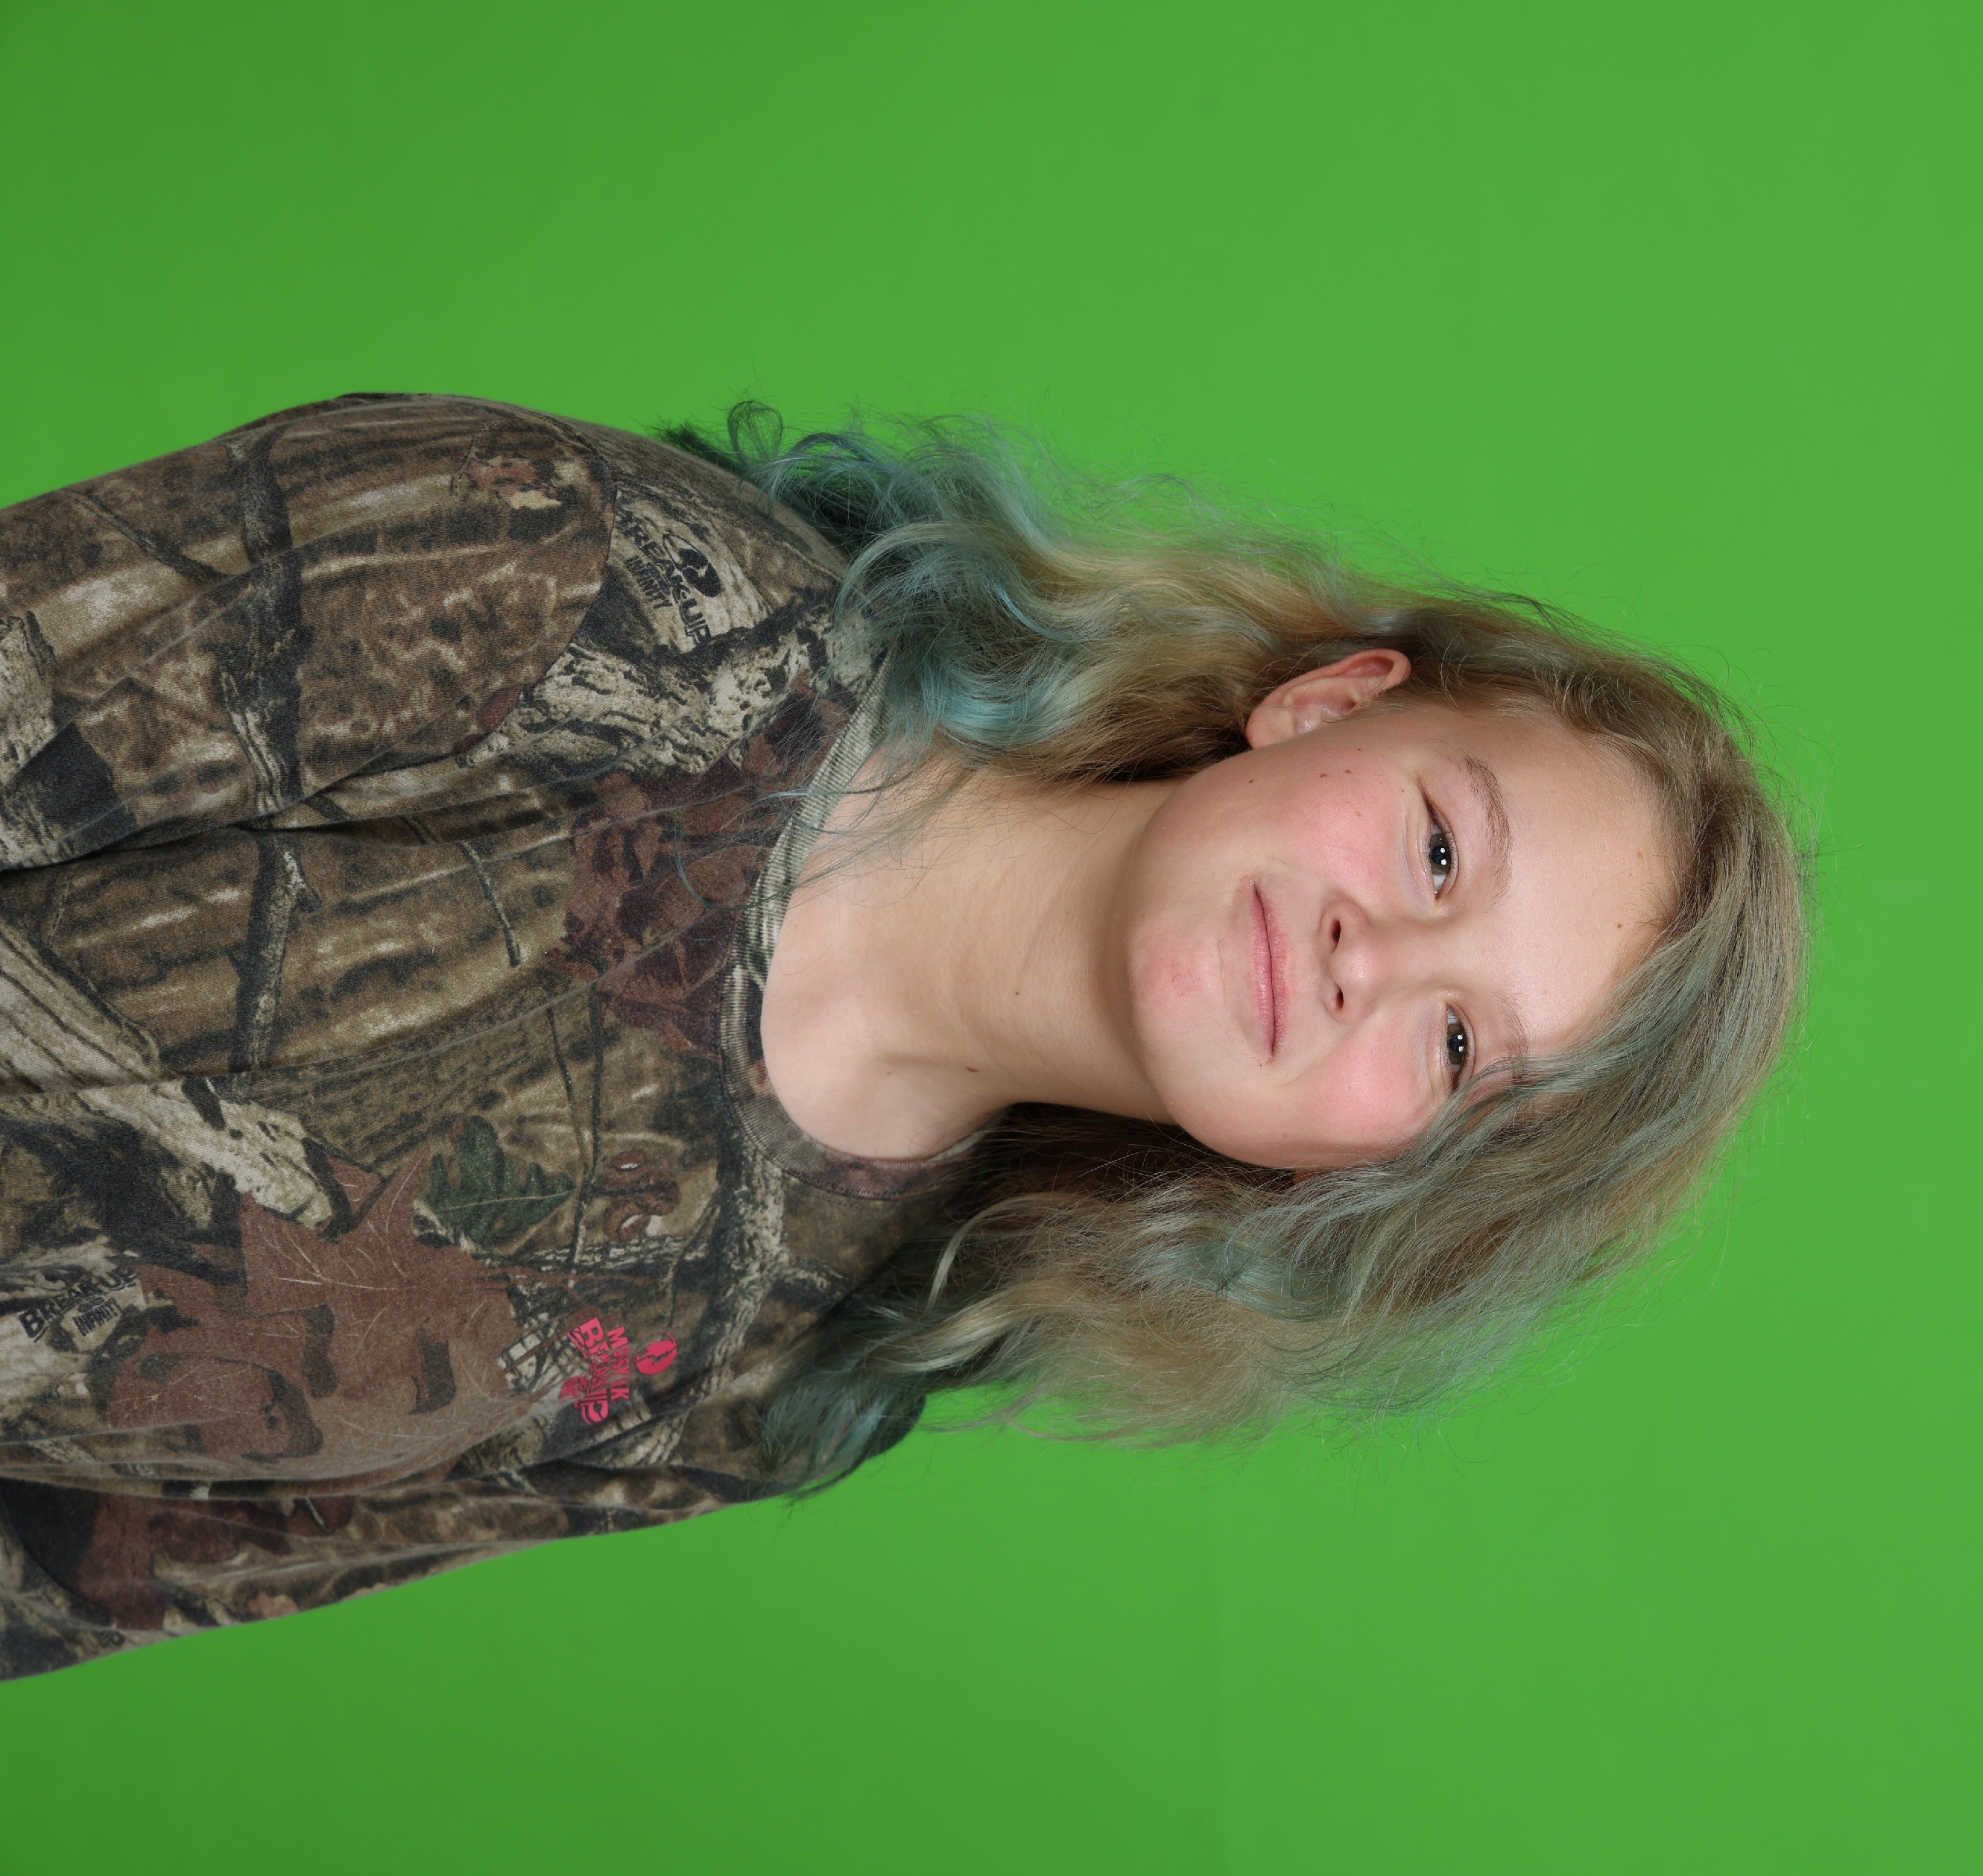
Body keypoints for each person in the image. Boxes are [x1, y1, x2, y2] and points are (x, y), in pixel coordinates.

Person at [0, 393, 1807, 1680]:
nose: (1373, 958)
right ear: (1328, 705)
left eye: (1459, 1051)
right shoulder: (598, 585)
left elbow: (100, 1569)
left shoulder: (815, 1361)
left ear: (1373, 1172)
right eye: (1438, 850)